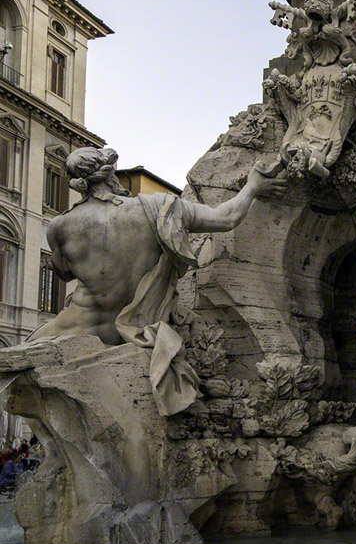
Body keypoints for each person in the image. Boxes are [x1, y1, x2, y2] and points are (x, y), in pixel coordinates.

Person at [29, 146, 285, 415]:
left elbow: (64, 273)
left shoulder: (60, 227)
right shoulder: (159, 208)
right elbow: (225, 217)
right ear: (110, 172)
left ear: (77, 183)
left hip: (77, 330)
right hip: (137, 331)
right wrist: (253, 186)